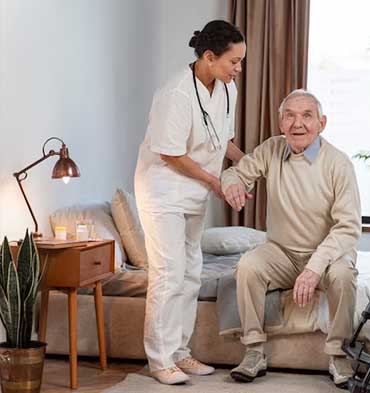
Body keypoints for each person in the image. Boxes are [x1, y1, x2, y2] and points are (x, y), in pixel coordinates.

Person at [220, 89, 361, 388]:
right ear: (281, 123)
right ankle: (254, 351)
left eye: (307, 116)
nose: (298, 123)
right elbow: (238, 173)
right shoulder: (271, 149)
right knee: (248, 266)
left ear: (322, 123)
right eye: (290, 115)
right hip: (281, 252)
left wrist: (313, 268)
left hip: (326, 255)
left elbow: (348, 227)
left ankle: (338, 354)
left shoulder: (338, 163)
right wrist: (231, 183)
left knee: (344, 275)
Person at [134, 20, 247, 385]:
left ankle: (180, 352)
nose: (239, 69)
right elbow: (171, 155)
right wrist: (216, 182)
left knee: (191, 273)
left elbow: (222, 140)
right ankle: (159, 358)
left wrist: (248, 165)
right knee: (168, 274)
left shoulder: (226, 89)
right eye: (234, 62)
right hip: (164, 192)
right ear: (210, 57)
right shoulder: (176, 94)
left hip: (195, 193)